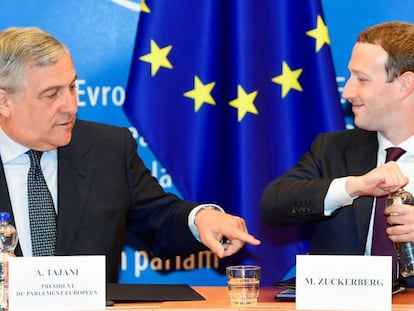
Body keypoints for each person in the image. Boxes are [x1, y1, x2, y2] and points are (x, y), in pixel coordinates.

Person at [0, 26, 260, 283]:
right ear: (4, 102)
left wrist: (201, 218)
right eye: (51, 94)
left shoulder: (107, 148)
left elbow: (159, 217)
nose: (71, 106)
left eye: (71, 87)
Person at [260, 21, 414, 284]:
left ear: (404, 84)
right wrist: (354, 186)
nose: (347, 91)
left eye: (362, 79)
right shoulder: (332, 149)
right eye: (350, 77)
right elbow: (274, 206)